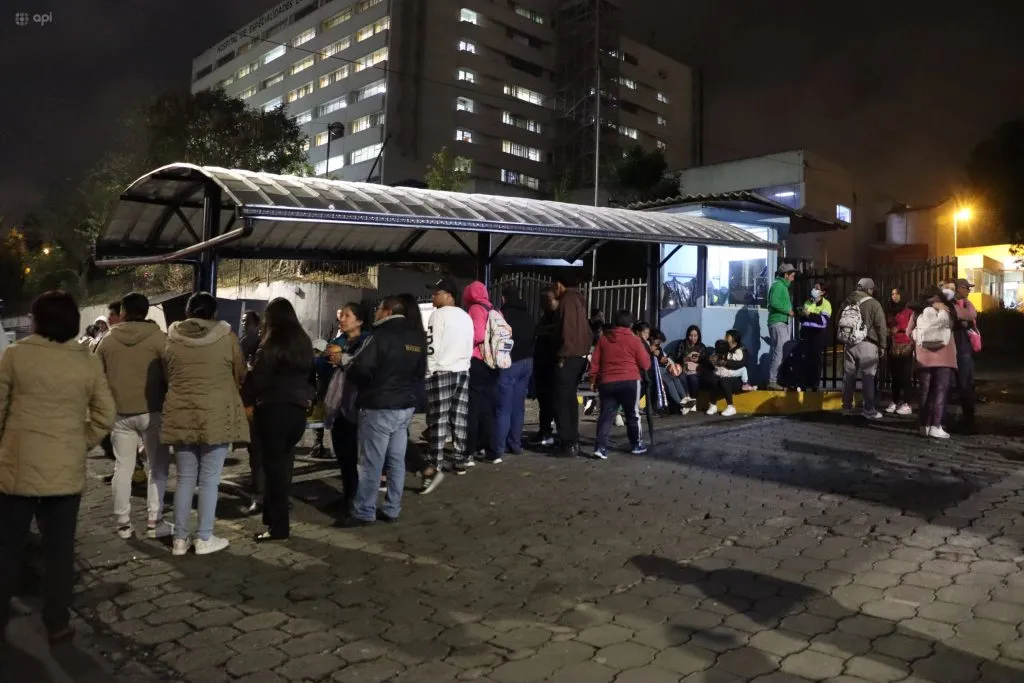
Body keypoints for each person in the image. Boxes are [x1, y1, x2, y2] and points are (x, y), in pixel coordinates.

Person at [0, 291, 116, 644]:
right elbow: (105, 414)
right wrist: (81, 441)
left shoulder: (15, 355)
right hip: (65, 470)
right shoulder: (86, 360)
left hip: (16, 468)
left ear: (35, 320)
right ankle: (57, 622)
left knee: (6, 549)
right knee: (59, 550)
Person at [162, 292, 249, 556]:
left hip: (181, 413)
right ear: (214, 313)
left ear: (187, 312)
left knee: (185, 478)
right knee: (210, 480)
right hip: (215, 413)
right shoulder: (227, 336)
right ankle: (204, 538)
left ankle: (179, 540)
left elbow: (168, 374)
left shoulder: (172, 337)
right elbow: (241, 371)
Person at [344, 296, 426, 525]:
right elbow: (420, 373)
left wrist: (348, 368)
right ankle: (392, 508)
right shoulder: (416, 338)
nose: (376, 313)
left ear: (387, 311)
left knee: (371, 462)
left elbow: (361, 369)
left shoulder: (379, 337)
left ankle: (364, 511)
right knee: (396, 460)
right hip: (404, 407)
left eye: (378, 309)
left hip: (379, 405)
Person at [95, 292, 171, 540]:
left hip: (120, 414)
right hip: (154, 411)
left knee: (123, 468)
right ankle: (154, 520)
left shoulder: (107, 341)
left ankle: (124, 524)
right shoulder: (160, 339)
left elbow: (97, 379)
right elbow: (171, 374)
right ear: (146, 311)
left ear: (124, 312)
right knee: (157, 468)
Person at [250, 298, 315, 542]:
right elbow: (311, 376)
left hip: (273, 412)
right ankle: (272, 519)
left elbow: (258, 381)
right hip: (297, 413)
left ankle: (278, 528)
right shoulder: (303, 343)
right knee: (283, 467)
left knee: (274, 472)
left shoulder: (269, 346)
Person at [422, 279, 473, 494]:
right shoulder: (466, 316)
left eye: (436, 293)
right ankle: (460, 459)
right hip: (463, 369)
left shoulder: (438, 315)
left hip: (441, 370)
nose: (433, 297)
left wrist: (429, 370)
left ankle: (436, 461)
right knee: (459, 416)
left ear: (448, 295)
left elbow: (432, 344)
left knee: (438, 418)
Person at [325, 302, 372, 510]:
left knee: (356, 456)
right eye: (341, 315)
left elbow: (365, 368)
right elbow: (322, 367)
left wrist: (342, 357)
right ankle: (347, 496)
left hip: (356, 404)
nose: (341, 319)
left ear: (359, 321)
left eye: (347, 316)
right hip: (337, 404)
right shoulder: (337, 341)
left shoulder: (367, 342)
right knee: (343, 455)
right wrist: (326, 358)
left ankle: (356, 501)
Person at [588, 310, 651, 459]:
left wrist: (592, 379)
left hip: (607, 382)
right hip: (630, 382)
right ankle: (636, 444)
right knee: (632, 414)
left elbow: (595, 361)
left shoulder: (604, 339)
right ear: (630, 324)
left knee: (606, 415)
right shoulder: (635, 340)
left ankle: (600, 447)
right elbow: (645, 364)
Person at [489, 286, 536, 464]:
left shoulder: (503, 317)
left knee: (503, 408)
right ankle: (515, 444)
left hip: (509, 363)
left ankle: (498, 449)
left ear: (503, 299)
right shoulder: (529, 316)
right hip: (527, 363)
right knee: (518, 407)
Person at [908, 286, 957, 439]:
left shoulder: (917, 312)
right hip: (944, 356)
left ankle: (924, 426)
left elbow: (908, 332)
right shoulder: (946, 309)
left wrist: (920, 339)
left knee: (925, 392)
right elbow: (958, 321)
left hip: (924, 358)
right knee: (940, 392)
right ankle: (936, 426)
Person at [551, 275, 591, 457]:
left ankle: (568, 442)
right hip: (580, 356)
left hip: (569, 357)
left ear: (560, 284)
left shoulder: (567, 300)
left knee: (563, 400)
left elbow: (568, 330)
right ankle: (571, 439)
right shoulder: (579, 300)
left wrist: (562, 354)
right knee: (569, 399)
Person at [839, 278, 888, 419]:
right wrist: (883, 345)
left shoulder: (848, 301)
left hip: (849, 344)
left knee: (848, 376)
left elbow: (838, 320)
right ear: (869, 289)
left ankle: (846, 407)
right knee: (868, 377)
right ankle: (868, 409)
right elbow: (881, 326)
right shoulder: (874, 304)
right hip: (868, 343)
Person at [463, 281, 499, 463]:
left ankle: (468, 451)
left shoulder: (476, 309)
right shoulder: (494, 309)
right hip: (493, 363)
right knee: (488, 409)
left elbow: (476, 335)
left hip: (478, 361)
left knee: (473, 408)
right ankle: (492, 450)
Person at [946, 278, 979, 433]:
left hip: (965, 349)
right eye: (966, 287)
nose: (969, 290)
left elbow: (971, 317)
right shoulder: (953, 304)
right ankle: (963, 420)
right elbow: (970, 315)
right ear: (958, 288)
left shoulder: (963, 303)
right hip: (958, 349)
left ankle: (966, 419)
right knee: (962, 385)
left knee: (966, 384)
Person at [530, 287, 559, 446]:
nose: (543, 303)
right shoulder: (545, 317)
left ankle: (551, 432)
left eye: (547, 299)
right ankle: (544, 430)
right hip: (541, 363)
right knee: (544, 401)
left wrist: (542, 331)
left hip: (552, 364)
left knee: (552, 401)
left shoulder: (557, 316)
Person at [767, 263, 797, 390]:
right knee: (780, 351)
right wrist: (787, 311)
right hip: (779, 322)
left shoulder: (780, 286)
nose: (793, 279)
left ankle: (776, 380)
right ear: (786, 275)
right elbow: (774, 302)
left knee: (780, 351)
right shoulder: (779, 286)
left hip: (780, 322)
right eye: (792, 276)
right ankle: (773, 381)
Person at [885, 287, 914, 415]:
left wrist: (900, 328)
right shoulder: (890, 310)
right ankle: (895, 400)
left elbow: (912, 326)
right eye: (892, 294)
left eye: (897, 293)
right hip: (894, 345)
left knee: (906, 376)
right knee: (895, 376)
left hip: (906, 345)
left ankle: (907, 402)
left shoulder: (909, 310)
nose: (894, 296)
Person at [798, 282, 832, 391]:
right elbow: (802, 320)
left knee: (815, 361)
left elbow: (823, 321)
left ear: (822, 292)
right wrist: (802, 314)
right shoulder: (808, 302)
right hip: (806, 335)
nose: (814, 289)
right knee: (805, 361)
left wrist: (809, 315)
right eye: (814, 287)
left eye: (817, 288)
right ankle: (804, 384)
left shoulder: (826, 304)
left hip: (817, 336)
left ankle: (814, 385)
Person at [705, 331, 746, 416]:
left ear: (734, 339)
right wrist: (711, 360)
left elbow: (740, 364)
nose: (725, 339)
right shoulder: (722, 348)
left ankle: (730, 406)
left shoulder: (741, 350)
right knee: (714, 378)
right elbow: (713, 360)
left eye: (727, 337)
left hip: (735, 379)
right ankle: (713, 404)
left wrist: (725, 363)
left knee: (724, 380)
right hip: (722, 375)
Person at [677, 325, 706, 410]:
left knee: (693, 378)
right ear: (687, 336)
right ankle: (687, 398)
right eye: (690, 335)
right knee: (682, 377)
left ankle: (693, 400)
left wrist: (698, 359)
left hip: (696, 371)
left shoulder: (701, 346)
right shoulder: (682, 344)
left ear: (698, 336)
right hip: (684, 369)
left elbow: (705, 361)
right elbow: (677, 358)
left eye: (695, 336)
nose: (693, 338)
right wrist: (686, 358)